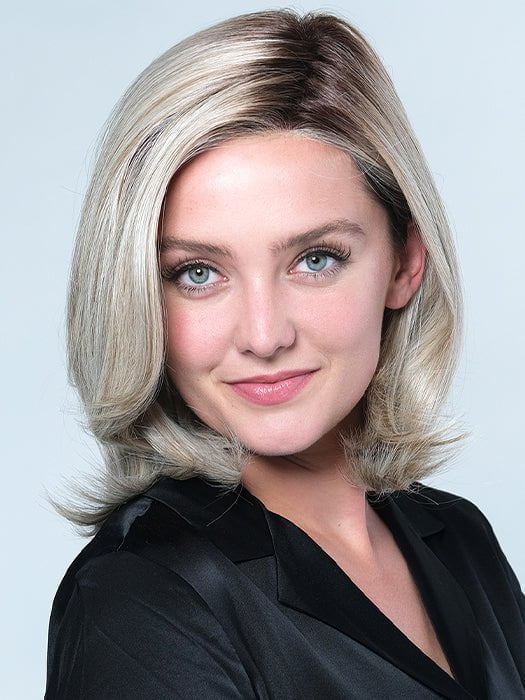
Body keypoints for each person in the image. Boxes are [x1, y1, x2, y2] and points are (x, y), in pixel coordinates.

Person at [45, 9, 525, 699]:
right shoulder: (141, 599)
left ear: (403, 263)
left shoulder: (456, 536)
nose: (264, 335)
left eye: (316, 259)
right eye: (197, 273)